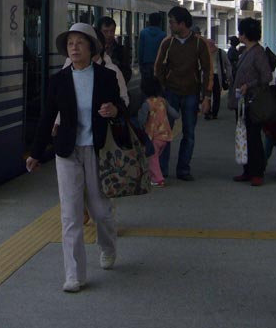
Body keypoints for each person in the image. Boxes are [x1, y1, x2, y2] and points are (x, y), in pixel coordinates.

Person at [26, 23, 126, 293]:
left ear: (91, 48)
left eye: (80, 42)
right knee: (70, 214)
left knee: (101, 211)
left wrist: (114, 109)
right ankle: (74, 275)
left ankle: (108, 246)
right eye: (70, 43)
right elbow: (47, 117)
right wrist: (36, 153)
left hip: (96, 149)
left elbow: (122, 107)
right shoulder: (59, 80)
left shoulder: (106, 77)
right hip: (67, 152)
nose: (74, 48)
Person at [153, 6, 211, 181]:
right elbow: (158, 67)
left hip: (191, 92)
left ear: (182, 23)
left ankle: (183, 169)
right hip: (170, 92)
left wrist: (206, 96)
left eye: (172, 22)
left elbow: (207, 70)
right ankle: (162, 169)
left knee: (189, 132)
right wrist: (161, 89)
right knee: (165, 132)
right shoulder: (167, 43)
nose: (170, 25)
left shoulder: (199, 44)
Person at [230, 17, 272, 186]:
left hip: (252, 101)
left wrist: (249, 85)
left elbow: (266, 76)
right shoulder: (246, 51)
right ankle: (247, 170)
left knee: (253, 137)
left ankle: (257, 171)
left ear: (245, 34)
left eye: (241, 31)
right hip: (242, 102)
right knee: (244, 136)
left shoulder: (257, 53)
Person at [135, 77, 180, 187]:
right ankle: (153, 176)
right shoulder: (163, 101)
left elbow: (141, 120)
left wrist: (139, 118)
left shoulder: (147, 104)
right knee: (156, 157)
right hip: (165, 136)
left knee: (152, 158)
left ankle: (158, 179)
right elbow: (175, 114)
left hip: (154, 136)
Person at [137, 12, 167, 97]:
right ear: (160, 22)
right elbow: (164, 52)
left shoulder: (143, 33)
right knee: (158, 89)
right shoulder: (163, 35)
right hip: (159, 65)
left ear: (149, 21)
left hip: (146, 65)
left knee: (146, 89)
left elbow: (140, 50)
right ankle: (158, 104)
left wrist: (140, 64)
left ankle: (146, 103)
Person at [97, 16, 132, 84]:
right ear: (99, 32)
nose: (109, 34)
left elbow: (127, 72)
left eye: (112, 31)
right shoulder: (94, 50)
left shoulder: (121, 50)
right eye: (105, 31)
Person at [203, 38, 231, 120]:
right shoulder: (204, 52)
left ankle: (212, 113)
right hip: (210, 76)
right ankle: (209, 112)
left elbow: (228, 65)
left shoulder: (220, 52)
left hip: (215, 76)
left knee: (213, 95)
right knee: (210, 95)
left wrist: (228, 75)